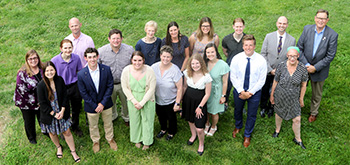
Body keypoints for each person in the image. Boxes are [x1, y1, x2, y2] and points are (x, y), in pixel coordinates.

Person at [297, 9, 338, 123]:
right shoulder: (307, 29)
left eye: (323, 19)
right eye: (319, 18)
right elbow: (299, 47)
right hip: (304, 67)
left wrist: (315, 67)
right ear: (315, 18)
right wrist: (306, 64)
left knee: (317, 93)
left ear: (327, 20)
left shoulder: (332, 35)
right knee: (299, 88)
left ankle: (313, 112)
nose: (321, 21)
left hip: (319, 70)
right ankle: (296, 108)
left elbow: (330, 56)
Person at [37, 61, 80, 162]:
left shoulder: (60, 80)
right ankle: (58, 147)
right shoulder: (41, 85)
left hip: (61, 111)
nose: (50, 72)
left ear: (55, 71)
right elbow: (42, 104)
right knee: (52, 133)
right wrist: (54, 114)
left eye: (51, 70)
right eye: (47, 71)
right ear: (44, 72)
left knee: (67, 132)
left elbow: (65, 96)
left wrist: (62, 111)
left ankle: (73, 151)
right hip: (49, 114)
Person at [77, 48, 117, 153]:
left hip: (106, 103)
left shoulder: (106, 69)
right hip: (91, 106)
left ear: (98, 57)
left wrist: (102, 103)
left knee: (108, 123)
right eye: (89, 57)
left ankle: (110, 138)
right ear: (86, 58)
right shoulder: (81, 74)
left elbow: (110, 87)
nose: (92, 59)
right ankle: (95, 141)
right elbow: (83, 93)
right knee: (93, 125)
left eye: (94, 56)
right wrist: (95, 106)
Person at [230, 35, 267, 148]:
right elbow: (233, 76)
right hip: (239, 90)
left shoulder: (261, 60)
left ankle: (247, 134)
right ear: (243, 46)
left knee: (251, 114)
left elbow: (262, 80)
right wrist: (241, 91)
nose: (248, 47)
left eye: (251, 45)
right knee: (238, 110)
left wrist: (250, 93)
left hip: (254, 92)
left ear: (254, 46)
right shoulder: (236, 58)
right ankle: (238, 125)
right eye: (246, 45)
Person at [270, 47, 308, 149]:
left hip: (294, 97)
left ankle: (298, 139)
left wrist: (301, 99)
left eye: (294, 56)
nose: (292, 58)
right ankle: (277, 130)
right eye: (290, 56)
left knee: (297, 119)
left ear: (298, 56)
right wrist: (272, 94)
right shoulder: (281, 66)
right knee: (278, 114)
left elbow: (304, 85)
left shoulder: (302, 68)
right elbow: (275, 81)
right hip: (280, 95)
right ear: (287, 55)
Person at [260, 16, 296, 118]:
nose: (282, 25)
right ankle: (263, 106)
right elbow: (263, 54)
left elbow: (291, 58)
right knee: (265, 89)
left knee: (276, 91)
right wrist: (270, 69)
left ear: (287, 25)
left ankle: (272, 107)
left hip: (281, 72)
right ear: (276, 24)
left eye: (284, 24)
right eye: (280, 23)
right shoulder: (268, 36)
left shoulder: (292, 40)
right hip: (268, 70)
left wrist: (281, 70)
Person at [121, 51, 156, 150]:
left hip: (147, 99)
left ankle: (147, 141)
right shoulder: (126, 70)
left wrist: (142, 103)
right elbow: (125, 87)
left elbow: (151, 89)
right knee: (135, 120)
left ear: (143, 60)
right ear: (131, 60)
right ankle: (137, 139)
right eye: (135, 60)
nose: (137, 63)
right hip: (133, 99)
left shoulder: (149, 70)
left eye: (140, 60)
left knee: (147, 120)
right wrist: (134, 101)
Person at [98, 29, 134, 126]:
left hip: (125, 83)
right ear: (109, 39)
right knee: (111, 102)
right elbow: (97, 66)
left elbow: (134, 64)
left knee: (126, 102)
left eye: (118, 38)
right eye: (113, 38)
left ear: (122, 39)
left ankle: (127, 117)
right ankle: (113, 116)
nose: (116, 41)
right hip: (109, 83)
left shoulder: (129, 50)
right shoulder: (101, 51)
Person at [51, 39, 83, 137]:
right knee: (63, 108)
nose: (68, 50)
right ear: (61, 48)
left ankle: (75, 126)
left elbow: (79, 71)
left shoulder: (76, 58)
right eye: (65, 48)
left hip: (74, 86)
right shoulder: (55, 60)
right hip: (62, 88)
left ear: (72, 48)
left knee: (76, 108)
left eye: (70, 48)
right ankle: (64, 128)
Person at [182, 54, 212, 156]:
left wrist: (200, 106)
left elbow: (207, 94)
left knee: (199, 127)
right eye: (193, 63)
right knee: (190, 120)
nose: (195, 65)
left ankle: (201, 144)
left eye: (197, 63)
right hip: (188, 100)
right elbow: (185, 86)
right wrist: (181, 99)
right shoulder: (187, 73)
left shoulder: (206, 77)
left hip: (200, 103)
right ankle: (193, 135)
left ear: (201, 63)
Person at [151, 45, 183, 140]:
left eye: (168, 57)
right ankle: (163, 129)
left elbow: (180, 88)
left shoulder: (175, 70)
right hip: (157, 99)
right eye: (164, 56)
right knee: (161, 116)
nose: (165, 59)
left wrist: (177, 103)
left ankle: (171, 132)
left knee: (171, 117)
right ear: (160, 56)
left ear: (171, 58)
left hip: (171, 100)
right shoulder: (154, 67)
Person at [14, 49, 44, 144]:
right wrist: (36, 102)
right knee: (29, 120)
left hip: (40, 100)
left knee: (41, 116)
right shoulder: (22, 73)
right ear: (26, 60)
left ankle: (45, 130)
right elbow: (22, 90)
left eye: (35, 58)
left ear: (38, 58)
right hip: (26, 102)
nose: (33, 60)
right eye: (30, 59)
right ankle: (31, 137)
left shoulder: (42, 69)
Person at [203, 43, 230, 136]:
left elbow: (225, 82)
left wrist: (223, 96)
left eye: (212, 52)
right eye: (208, 52)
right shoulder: (204, 63)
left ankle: (214, 126)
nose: (210, 54)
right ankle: (207, 123)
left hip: (217, 90)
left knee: (214, 112)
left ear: (216, 52)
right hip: (206, 89)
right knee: (206, 109)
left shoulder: (223, 65)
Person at [222, 17, 246, 109]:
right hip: (230, 66)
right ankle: (225, 101)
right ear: (233, 27)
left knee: (241, 85)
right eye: (237, 27)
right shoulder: (227, 39)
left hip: (243, 66)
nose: (239, 29)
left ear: (243, 27)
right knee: (227, 84)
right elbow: (225, 51)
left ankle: (240, 104)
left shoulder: (246, 39)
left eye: (240, 27)